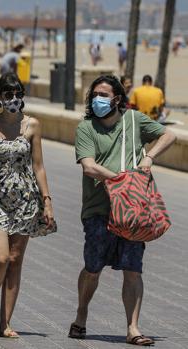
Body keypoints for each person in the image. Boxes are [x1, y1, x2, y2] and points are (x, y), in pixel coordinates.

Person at [70, 75, 176, 346]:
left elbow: (169, 134)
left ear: (117, 98)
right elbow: (89, 166)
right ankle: (81, 315)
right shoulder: (86, 127)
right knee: (93, 268)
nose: (97, 100)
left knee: (133, 269)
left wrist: (149, 158)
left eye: (103, 95)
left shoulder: (134, 120)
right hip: (98, 209)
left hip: (132, 210)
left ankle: (133, 328)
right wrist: (122, 179)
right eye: (94, 95)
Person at [0, 72, 56, 338]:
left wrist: (47, 201)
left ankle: (5, 323)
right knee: (0, 258)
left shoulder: (33, 126)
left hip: (25, 200)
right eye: (7, 94)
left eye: (17, 94)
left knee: (15, 261)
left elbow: (38, 166)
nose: (13, 99)